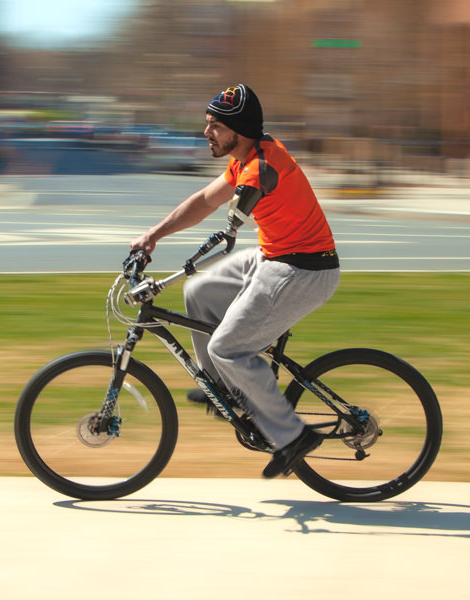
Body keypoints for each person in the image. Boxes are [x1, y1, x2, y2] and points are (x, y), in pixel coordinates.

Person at [130, 84, 340, 478]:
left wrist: (232, 224)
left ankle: (293, 437)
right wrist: (153, 235)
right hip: (274, 255)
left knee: (228, 348)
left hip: (304, 271)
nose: (206, 132)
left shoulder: (261, 165)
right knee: (199, 292)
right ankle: (224, 387)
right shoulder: (244, 158)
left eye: (214, 126)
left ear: (238, 131)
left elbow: (249, 194)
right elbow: (203, 201)